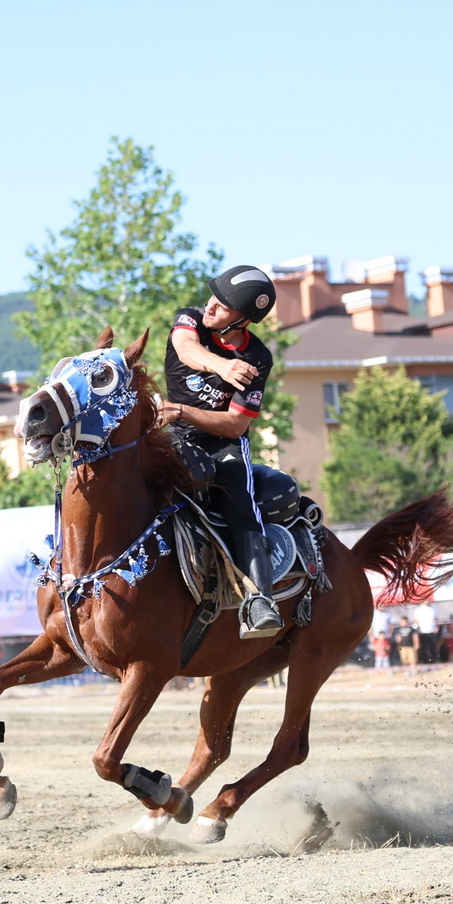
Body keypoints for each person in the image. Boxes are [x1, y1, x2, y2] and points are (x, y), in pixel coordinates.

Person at [156, 263, 289, 638]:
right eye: (214, 295)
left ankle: (260, 601)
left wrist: (181, 410)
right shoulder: (192, 319)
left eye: (224, 305)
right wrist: (223, 366)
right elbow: (185, 348)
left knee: (239, 504)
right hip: (171, 436)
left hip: (222, 445)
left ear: (244, 320)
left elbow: (235, 425)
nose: (212, 306)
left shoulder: (259, 359)